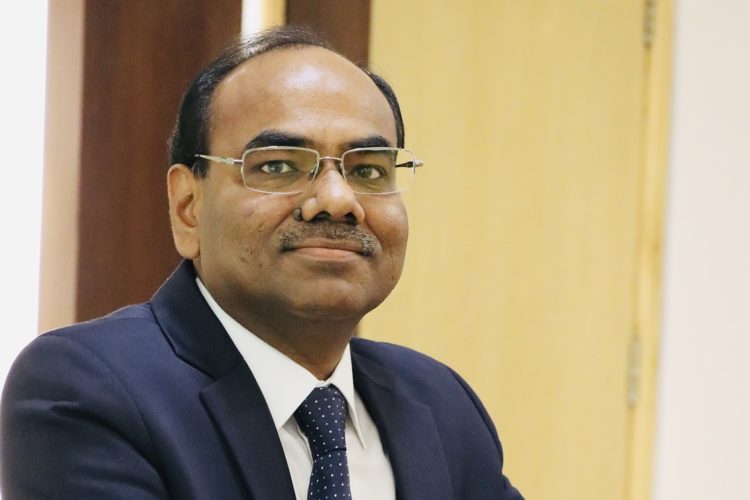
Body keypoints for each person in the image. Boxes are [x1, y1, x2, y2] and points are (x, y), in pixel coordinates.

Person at [1, 27, 523, 499]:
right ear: (187, 207)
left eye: (368, 170)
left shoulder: (441, 405)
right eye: (278, 166)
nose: (337, 200)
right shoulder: (87, 390)